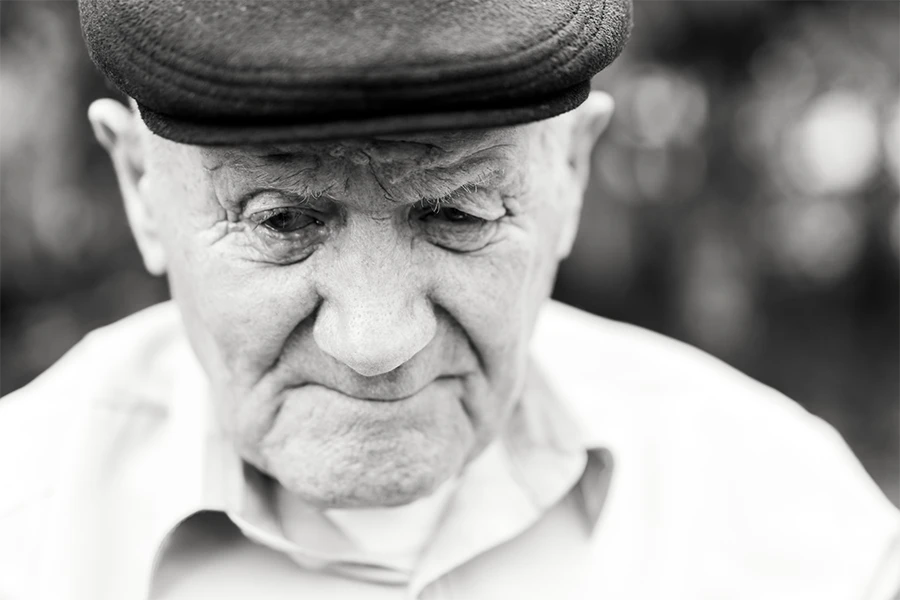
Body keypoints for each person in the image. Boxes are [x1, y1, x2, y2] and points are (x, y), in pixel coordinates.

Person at [1, 0, 898, 598]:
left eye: (459, 213)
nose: (376, 340)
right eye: (281, 221)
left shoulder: (800, 534)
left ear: (572, 172)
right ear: (137, 186)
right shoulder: (22, 525)